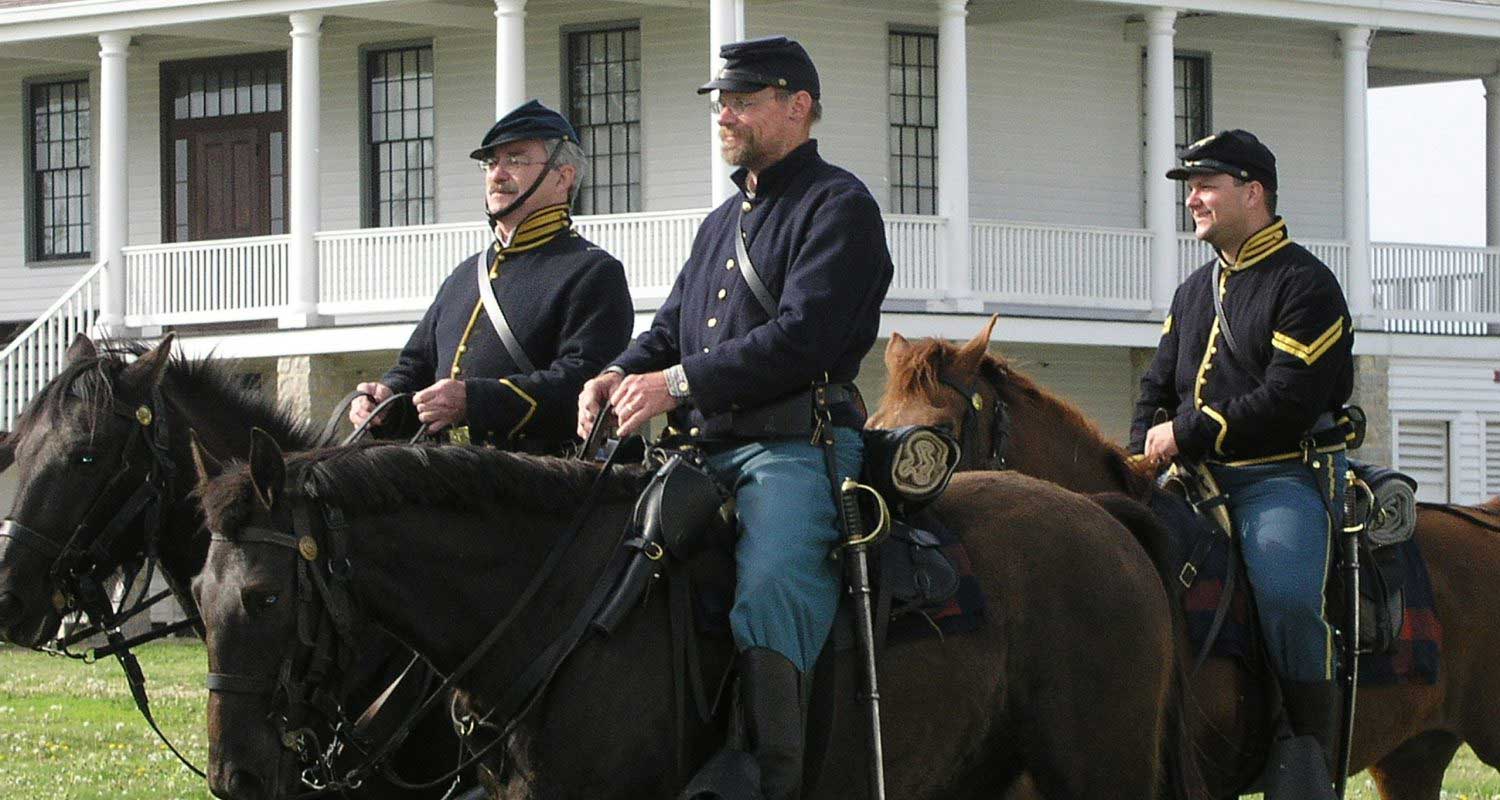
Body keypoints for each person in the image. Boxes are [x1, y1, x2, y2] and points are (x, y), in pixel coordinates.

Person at [576, 36, 892, 800]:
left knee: (771, 586)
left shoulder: (840, 206)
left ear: (799, 107)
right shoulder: (722, 221)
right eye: (721, 101)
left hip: (793, 446)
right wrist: (619, 370)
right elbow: (671, 325)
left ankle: (764, 773)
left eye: (743, 100)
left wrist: (675, 384)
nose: (725, 113)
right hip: (702, 451)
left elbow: (802, 338)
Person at [1130, 129, 1354, 788]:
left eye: (1205, 186)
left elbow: (1286, 399)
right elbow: (1156, 386)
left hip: (1275, 477)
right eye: (1190, 188)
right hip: (1186, 483)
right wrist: (1132, 459)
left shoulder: (1306, 285)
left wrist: (1187, 432)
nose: (1192, 200)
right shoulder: (1193, 291)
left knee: (1286, 597)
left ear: (1251, 192)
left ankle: (1310, 743)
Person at [349, 100, 634, 453]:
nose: (497, 174)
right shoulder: (465, 274)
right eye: (491, 163)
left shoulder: (592, 271)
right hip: (448, 476)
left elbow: (581, 383)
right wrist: (386, 400)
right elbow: (417, 365)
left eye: (515, 160)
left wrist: (475, 401)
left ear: (563, 177)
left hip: (539, 483)